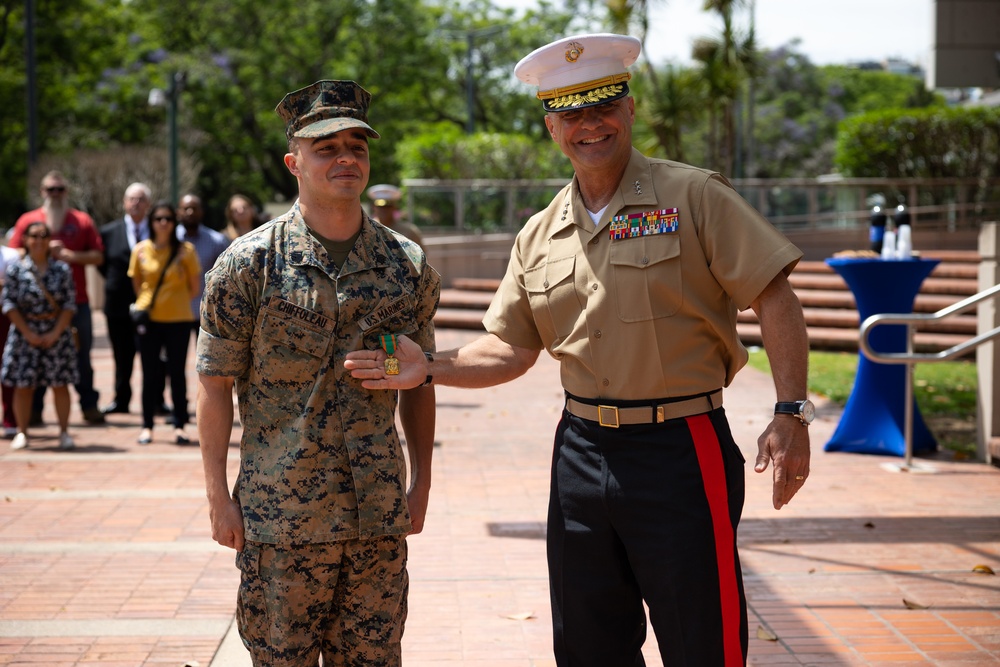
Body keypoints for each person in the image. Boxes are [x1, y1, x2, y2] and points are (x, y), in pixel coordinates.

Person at [346, 34, 812, 667]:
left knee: (702, 639)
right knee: (588, 643)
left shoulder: (693, 196)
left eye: (603, 105)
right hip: (580, 453)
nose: (590, 124)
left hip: (681, 447)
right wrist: (431, 367)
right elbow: (510, 349)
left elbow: (775, 296)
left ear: (628, 110)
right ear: (551, 127)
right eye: (572, 112)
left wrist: (791, 412)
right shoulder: (540, 233)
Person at [196, 79, 439, 666]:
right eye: (326, 148)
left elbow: (421, 382)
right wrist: (216, 498)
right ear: (294, 162)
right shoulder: (248, 264)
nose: (346, 158)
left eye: (357, 145)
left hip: (377, 516)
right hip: (281, 521)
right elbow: (214, 384)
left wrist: (422, 481)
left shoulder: (405, 265)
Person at [10, 171, 105, 425]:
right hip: (34, 307)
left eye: (59, 189)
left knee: (81, 355)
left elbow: (97, 256)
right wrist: (38, 249)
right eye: (50, 189)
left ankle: (89, 405)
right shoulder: (28, 220)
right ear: (42, 192)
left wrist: (70, 256)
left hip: (77, 302)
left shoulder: (81, 220)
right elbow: (12, 254)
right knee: (35, 358)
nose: (55, 194)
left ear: (66, 192)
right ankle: (34, 411)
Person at [2, 222, 79, 450]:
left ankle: (64, 432)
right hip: (25, 335)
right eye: (34, 236)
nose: (39, 240)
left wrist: (55, 332)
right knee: (23, 386)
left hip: (56, 334)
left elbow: (69, 303)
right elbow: (8, 303)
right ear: (25, 239)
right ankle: (22, 432)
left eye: (44, 236)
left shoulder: (61, 269)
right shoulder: (16, 269)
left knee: (60, 384)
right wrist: (28, 333)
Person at [129, 201, 201, 445]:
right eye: (158, 218)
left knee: (177, 373)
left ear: (174, 223)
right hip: (149, 320)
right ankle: (147, 426)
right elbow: (137, 284)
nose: (163, 223)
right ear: (151, 222)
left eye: (168, 219)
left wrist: (174, 301)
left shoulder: (186, 251)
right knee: (149, 374)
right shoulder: (140, 250)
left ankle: (179, 425)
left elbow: (194, 287)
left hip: (179, 319)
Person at [98, 182, 152, 415]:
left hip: (151, 305)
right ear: (124, 202)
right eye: (131, 199)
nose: (136, 203)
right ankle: (121, 399)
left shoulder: (159, 228)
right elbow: (103, 264)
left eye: (140, 199)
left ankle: (156, 400)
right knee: (122, 355)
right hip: (117, 304)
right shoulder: (109, 231)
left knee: (153, 355)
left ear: (148, 204)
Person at [176, 193, 230, 337]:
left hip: (207, 311)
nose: (190, 212)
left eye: (194, 208)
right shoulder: (170, 241)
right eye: (186, 208)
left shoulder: (217, 241)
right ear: (178, 211)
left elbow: (225, 277)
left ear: (202, 211)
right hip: (175, 312)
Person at [0, 243, 22, 437]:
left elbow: (13, 286)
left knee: (7, 368)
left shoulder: (10, 255)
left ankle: (10, 419)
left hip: (4, 318)